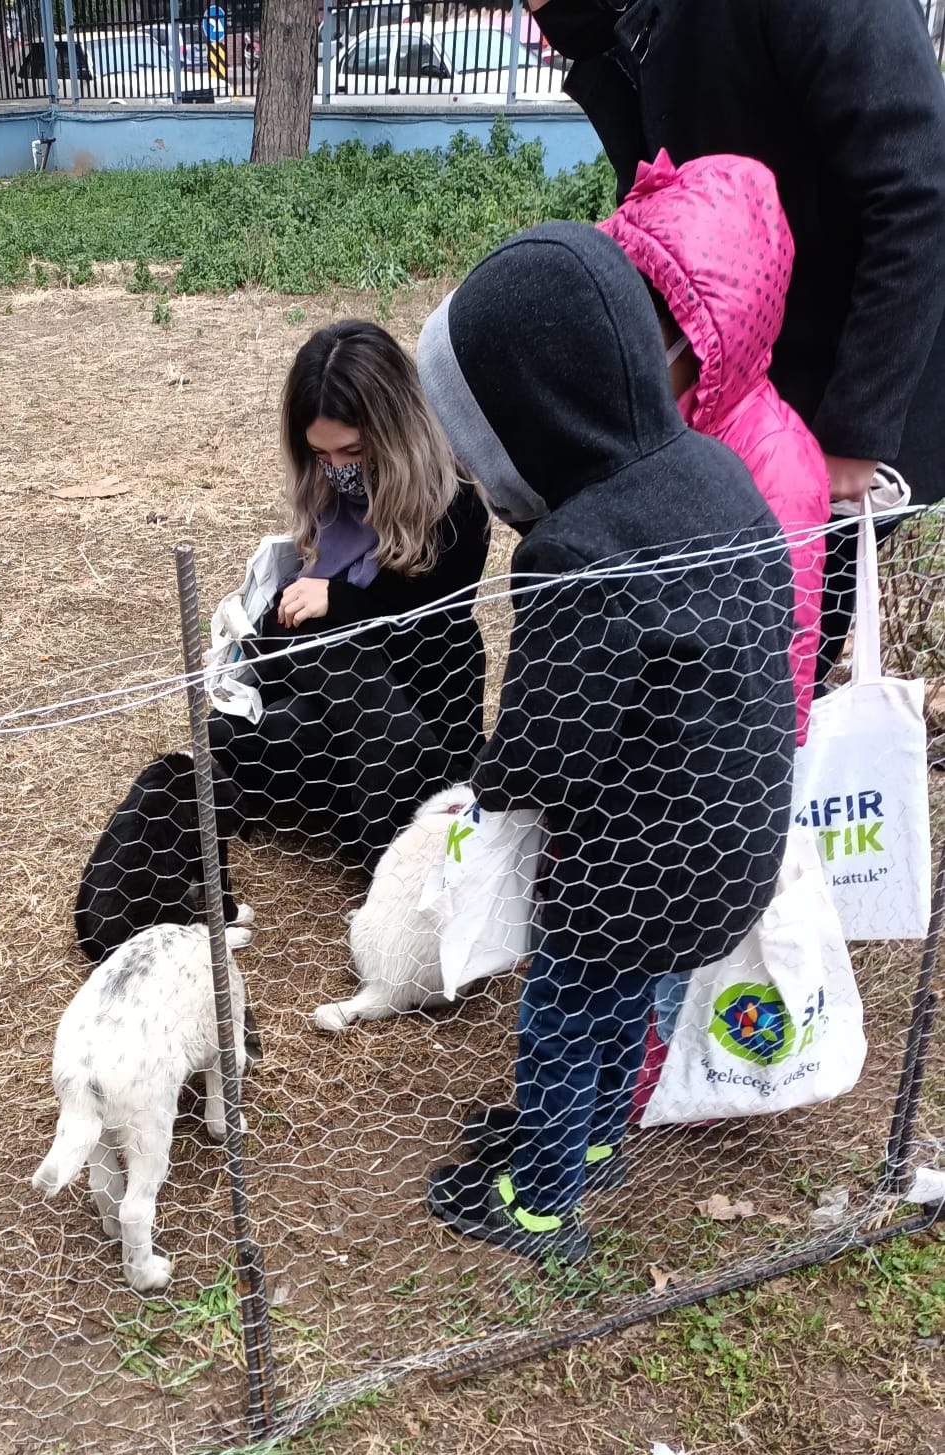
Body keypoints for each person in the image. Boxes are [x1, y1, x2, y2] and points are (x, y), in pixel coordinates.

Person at [415, 223, 795, 1263]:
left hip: (628, 865)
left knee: (562, 1011)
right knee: (620, 996)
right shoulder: (714, 468)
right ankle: (584, 1143)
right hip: (730, 840)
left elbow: (549, 749)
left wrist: (485, 786)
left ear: (526, 413)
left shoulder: (575, 548)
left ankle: (538, 1205)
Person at [525, 0, 945, 676]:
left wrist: (853, 435)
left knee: (768, 675)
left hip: (826, 399)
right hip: (729, 375)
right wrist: (575, 24)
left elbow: (920, 193)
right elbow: (665, 171)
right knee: (701, 660)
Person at [207, 319, 491, 873]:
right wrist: (297, 615)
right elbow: (276, 646)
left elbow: (432, 629)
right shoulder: (330, 498)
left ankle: (390, 827)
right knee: (249, 731)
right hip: (346, 714)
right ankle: (373, 817)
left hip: (421, 702)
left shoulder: (456, 505)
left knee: (315, 677)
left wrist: (338, 602)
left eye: (352, 451)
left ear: (394, 430)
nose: (337, 470)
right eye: (322, 455)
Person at [600, 150, 829, 744]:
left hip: (717, 752)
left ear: (708, 335)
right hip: (630, 718)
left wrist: (773, 757)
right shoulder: (638, 423)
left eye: (646, 334)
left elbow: (789, 645)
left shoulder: (780, 465)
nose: (624, 353)